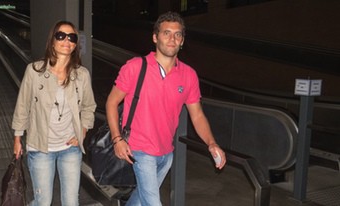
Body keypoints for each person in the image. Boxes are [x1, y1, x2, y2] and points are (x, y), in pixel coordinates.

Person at [105, 11, 227, 205]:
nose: (172, 38)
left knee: (139, 199)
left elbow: (197, 115)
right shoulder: (136, 67)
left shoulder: (188, 75)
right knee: (153, 202)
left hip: (166, 153)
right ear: (155, 37)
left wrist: (211, 143)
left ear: (182, 41)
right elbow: (111, 102)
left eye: (177, 34)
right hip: (140, 149)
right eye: (166, 33)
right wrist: (117, 138)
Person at [12, 21, 96, 206]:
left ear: (75, 45)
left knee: (71, 202)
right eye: (61, 36)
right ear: (52, 41)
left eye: (71, 37)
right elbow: (22, 105)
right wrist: (18, 137)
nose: (67, 40)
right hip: (41, 148)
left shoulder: (81, 75)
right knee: (43, 202)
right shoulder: (34, 71)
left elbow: (89, 106)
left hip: (71, 149)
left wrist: (82, 131)